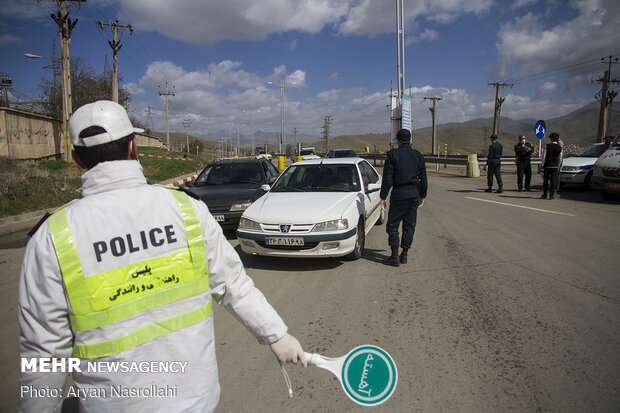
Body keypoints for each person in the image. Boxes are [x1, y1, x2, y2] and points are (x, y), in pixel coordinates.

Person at [18, 100, 306, 413]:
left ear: (76, 159)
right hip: (197, 401)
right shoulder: (187, 210)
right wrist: (277, 335)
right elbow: (233, 285)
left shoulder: (53, 237)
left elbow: (43, 351)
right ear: (133, 147)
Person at [380, 129, 428, 267]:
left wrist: (383, 196)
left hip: (399, 194)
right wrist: (422, 195)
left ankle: (394, 256)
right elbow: (423, 178)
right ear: (410, 140)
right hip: (413, 194)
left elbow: (388, 178)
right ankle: (404, 254)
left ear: (398, 140)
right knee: (409, 225)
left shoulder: (393, 155)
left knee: (393, 224)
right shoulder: (418, 156)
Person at [541, 131, 563, 200]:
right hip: (555, 166)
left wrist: (543, 164)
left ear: (552, 138)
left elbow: (544, 156)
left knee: (545, 181)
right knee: (553, 181)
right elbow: (560, 158)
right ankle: (551, 195)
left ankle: (545, 194)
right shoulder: (559, 148)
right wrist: (558, 166)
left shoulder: (547, 146)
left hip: (547, 165)